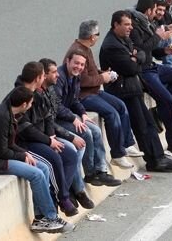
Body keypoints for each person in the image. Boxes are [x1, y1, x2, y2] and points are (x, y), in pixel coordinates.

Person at [0, 86, 72, 233]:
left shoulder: (10, 113)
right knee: (36, 174)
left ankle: (40, 218)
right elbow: (1, 151)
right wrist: (22, 156)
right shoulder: (1, 117)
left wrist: (24, 153)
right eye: (30, 103)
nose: (31, 106)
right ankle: (51, 216)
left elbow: (10, 144)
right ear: (24, 104)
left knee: (43, 167)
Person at [99, 11, 172, 172]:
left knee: (149, 123)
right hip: (124, 91)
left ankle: (159, 157)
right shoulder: (112, 45)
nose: (130, 28)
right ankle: (153, 161)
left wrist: (136, 57)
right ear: (115, 25)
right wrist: (136, 59)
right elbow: (130, 68)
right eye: (126, 24)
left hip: (133, 87)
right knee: (142, 127)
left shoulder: (123, 39)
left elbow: (142, 53)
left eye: (131, 24)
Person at [13, 61, 87, 217]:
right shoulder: (21, 95)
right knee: (54, 159)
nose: (57, 75)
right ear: (40, 77)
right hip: (28, 142)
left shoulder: (42, 91)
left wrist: (51, 135)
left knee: (70, 154)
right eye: (52, 72)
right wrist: (48, 140)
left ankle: (63, 194)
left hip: (43, 137)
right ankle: (61, 198)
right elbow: (25, 128)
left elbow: (47, 116)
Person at [66, 20, 141, 170]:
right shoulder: (78, 52)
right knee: (111, 113)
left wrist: (103, 73)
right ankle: (117, 154)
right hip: (83, 95)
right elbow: (82, 80)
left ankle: (127, 144)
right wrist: (103, 78)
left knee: (120, 105)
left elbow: (91, 72)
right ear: (93, 37)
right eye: (97, 34)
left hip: (94, 90)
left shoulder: (85, 48)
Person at [128, 0, 172, 156]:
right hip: (143, 72)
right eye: (155, 10)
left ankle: (161, 110)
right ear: (148, 10)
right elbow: (141, 48)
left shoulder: (146, 23)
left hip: (152, 66)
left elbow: (151, 50)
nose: (156, 13)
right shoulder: (134, 26)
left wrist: (165, 51)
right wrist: (159, 37)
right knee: (168, 100)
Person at [54, 51, 122, 188]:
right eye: (76, 63)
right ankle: (90, 173)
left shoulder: (75, 77)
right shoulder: (59, 77)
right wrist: (73, 118)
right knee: (86, 133)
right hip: (57, 120)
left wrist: (83, 114)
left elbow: (74, 100)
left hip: (67, 116)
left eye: (82, 65)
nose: (78, 67)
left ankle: (101, 170)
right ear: (67, 61)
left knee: (96, 130)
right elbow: (56, 105)